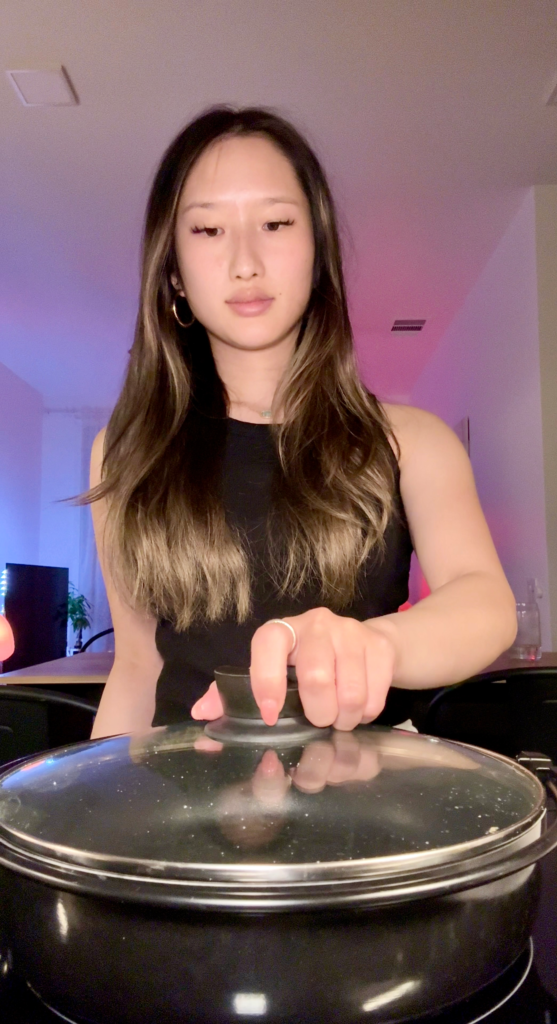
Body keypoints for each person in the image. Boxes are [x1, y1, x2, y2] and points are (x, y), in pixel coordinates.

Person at [87, 105, 516, 740]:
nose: (245, 262)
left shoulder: (410, 442)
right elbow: (136, 666)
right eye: (207, 231)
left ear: (317, 250)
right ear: (173, 270)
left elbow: (484, 603)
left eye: (276, 222)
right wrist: (96, 820)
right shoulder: (123, 453)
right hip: (181, 819)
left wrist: (369, 644)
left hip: (360, 816)